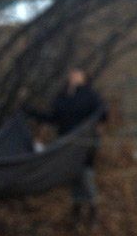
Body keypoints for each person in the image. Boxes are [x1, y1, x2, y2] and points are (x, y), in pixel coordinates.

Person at [25, 68, 108, 225]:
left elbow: (102, 113)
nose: (73, 76)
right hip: (65, 142)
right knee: (73, 173)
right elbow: (54, 118)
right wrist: (32, 112)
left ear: (84, 78)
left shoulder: (90, 95)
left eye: (77, 74)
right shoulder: (62, 97)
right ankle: (76, 207)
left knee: (85, 173)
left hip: (84, 142)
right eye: (71, 74)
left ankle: (92, 209)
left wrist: (96, 126)